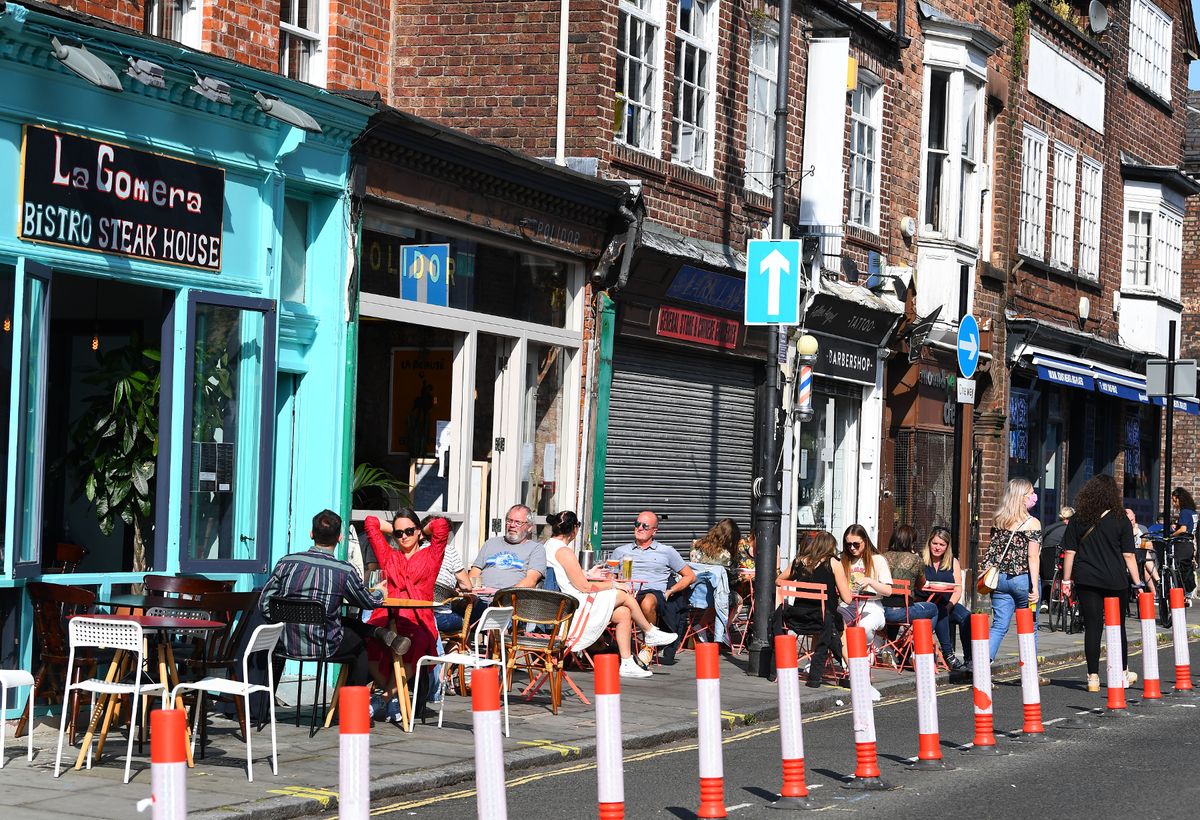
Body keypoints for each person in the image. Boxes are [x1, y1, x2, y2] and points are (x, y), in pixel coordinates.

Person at [260, 509, 404, 690]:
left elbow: (264, 603)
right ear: (340, 538)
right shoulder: (343, 570)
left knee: (339, 621)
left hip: (285, 642)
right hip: (325, 645)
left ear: (311, 534)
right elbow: (367, 602)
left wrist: (283, 625)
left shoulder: (286, 562)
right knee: (360, 646)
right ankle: (349, 713)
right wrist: (380, 593)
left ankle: (264, 709)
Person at [542, 510, 677, 679]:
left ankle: (627, 662)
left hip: (563, 599)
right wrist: (612, 583)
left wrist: (587, 573)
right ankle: (649, 632)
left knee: (623, 613)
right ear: (574, 529)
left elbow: (566, 576)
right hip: (572, 603)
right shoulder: (564, 551)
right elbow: (584, 587)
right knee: (622, 593)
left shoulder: (549, 545)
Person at [362, 508, 451, 720]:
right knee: (368, 641)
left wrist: (419, 529)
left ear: (419, 531)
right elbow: (370, 522)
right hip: (388, 616)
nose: (404, 537)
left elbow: (441, 527)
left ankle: (383, 698)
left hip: (418, 619)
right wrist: (396, 528)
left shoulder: (431, 555)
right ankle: (394, 698)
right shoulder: (389, 556)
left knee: (417, 642)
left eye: (409, 531)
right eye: (399, 533)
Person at [1061, 475, 1143, 692]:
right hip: (1115, 580)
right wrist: (1138, 583)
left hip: (1087, 579)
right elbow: (1129, 556)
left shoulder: (1079, 518)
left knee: (1093, 627)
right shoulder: (1121, 519)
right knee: (1119, 628)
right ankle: (1122, 672)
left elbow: (1070, 551)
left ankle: (1093, 678)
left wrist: (1066, 580)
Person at [610, 511, 697, 665]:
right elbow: (611, 577)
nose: (640, 528)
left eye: (645, 526)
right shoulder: (620, 551)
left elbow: (690, 576)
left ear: (654, 531)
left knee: (647, 602)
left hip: (653, 593)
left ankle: (648, 647)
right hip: (627, 592)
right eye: (637, 524)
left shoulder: (666, 551)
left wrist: (670, 591)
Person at [774, 531, 852, 687]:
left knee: (827, 623)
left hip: (797, 619)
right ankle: (852, 668)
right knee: (840, 627)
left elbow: (778, 581)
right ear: (831, 548)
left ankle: (811, 665)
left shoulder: (799, 562)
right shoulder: (834, 563)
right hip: (822, 620)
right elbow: (848, 599)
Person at [983, 478, 1041, 662]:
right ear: (1022, 498)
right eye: (1031, 493)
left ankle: (982, 667)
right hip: (1023, 579)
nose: (1034, 496)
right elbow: (1033, 557)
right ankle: (1030, 673)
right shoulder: (1032, 523)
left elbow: (992, 551)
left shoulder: (999, 520)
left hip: (1000, 580)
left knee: (999, 625)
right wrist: (1034, 587)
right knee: (1030, 626)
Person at [880, 525, 938, 660]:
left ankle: (889, 648)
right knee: (933, 609)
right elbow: (921, 584)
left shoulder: (882, 557)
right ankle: (919, 649)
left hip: (882, 610)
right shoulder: (916, 560)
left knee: (896, 609)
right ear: (911, 542)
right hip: (901, 612)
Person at [837, 524, 892, 653]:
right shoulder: (842, 559)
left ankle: (864, 652)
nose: (851, 548)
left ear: (865, 541)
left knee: (864, 627)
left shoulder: (877, 559)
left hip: (872, 605)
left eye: (856, 544)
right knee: (832, 622)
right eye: (848, 544)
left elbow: (888, 591)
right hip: (848, 604)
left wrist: (870, 581)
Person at [922, 526, 971, 671]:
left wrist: (950, 605)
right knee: (940, 611)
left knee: (966, 617)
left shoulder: (953, 562)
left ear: (947, 546)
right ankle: (949, 655)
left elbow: (957, 588)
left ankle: (969, 658)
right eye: (934, 543)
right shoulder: (921, 561)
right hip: (927, 603)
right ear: (929, 543)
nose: (937, 547)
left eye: (942, 545)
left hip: (948, 602)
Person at [688, 518, 741, 646]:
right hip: (714, 597)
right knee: (736, 600)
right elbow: (732, 580)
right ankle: (722, 631)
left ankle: (700, 626)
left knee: (716, 595)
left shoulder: (695, 545)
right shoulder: (726, 556)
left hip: (693, 594)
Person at [470, 504, 547, 591]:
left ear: (529, 527)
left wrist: (501, 595)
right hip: (481, 596)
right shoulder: (491, 543)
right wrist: (474, 591)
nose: (512, 525)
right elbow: (475, 571)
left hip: (511, 599)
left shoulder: (536, 549)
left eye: (518, 522)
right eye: (509, 521)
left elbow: (531, 581)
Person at [1039, 507, 1073, 608]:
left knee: (1047, 580)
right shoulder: (1071, 530)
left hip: (1047, 569)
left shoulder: (1048, 528)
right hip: (1063, 568)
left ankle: (1045, 601)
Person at [1170, 487, 1198, 598]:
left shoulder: (1184, 512)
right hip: (1190, 544)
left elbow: (1183, 529)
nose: (1174, 503)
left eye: (1175, 500)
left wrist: (1171, 535)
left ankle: (1185, 591)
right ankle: (1188, 590)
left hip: (1183, 544)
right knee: (1187, 568)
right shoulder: (1192, 512)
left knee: (1180, 569)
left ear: (1180, 499)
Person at [1128, 508, 1158, 603]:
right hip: (1132, 561)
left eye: (1131, 519)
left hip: (1143, 559)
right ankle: (1157, 585)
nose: (1130, 522)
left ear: (1134, 516)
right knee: (1143, 562)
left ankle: (1155, 591)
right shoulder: (1125, 531)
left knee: (1144, 558)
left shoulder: (1142, 528)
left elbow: (1150, 545)